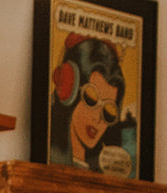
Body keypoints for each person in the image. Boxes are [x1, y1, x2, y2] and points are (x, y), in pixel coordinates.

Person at [47, 34, 133, 176]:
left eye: (108, 112)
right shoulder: (50, 157)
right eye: (91, 99)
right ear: (69, 88)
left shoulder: (104, 170)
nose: (98, 119)